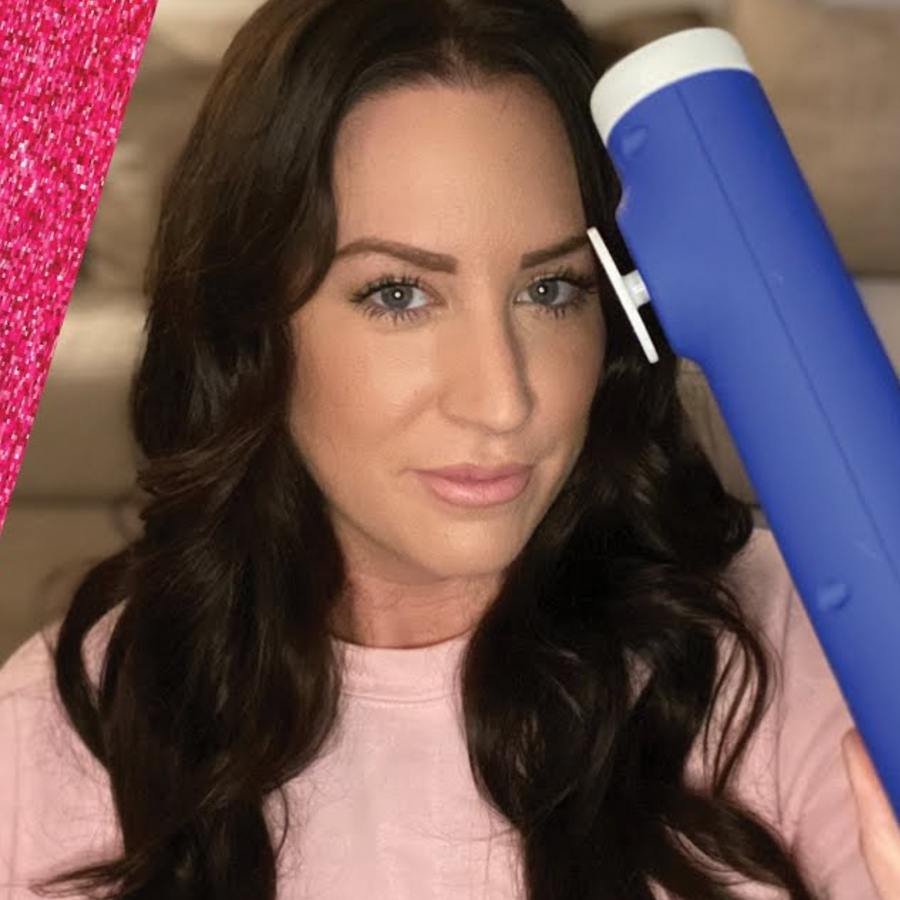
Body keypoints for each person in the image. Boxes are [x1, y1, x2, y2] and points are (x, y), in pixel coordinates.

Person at [1, 0, 898, 897]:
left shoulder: (797, 652)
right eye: (399, 294)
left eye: (551, 289)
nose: (503, 400)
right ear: (253, 329)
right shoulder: (62, 734)